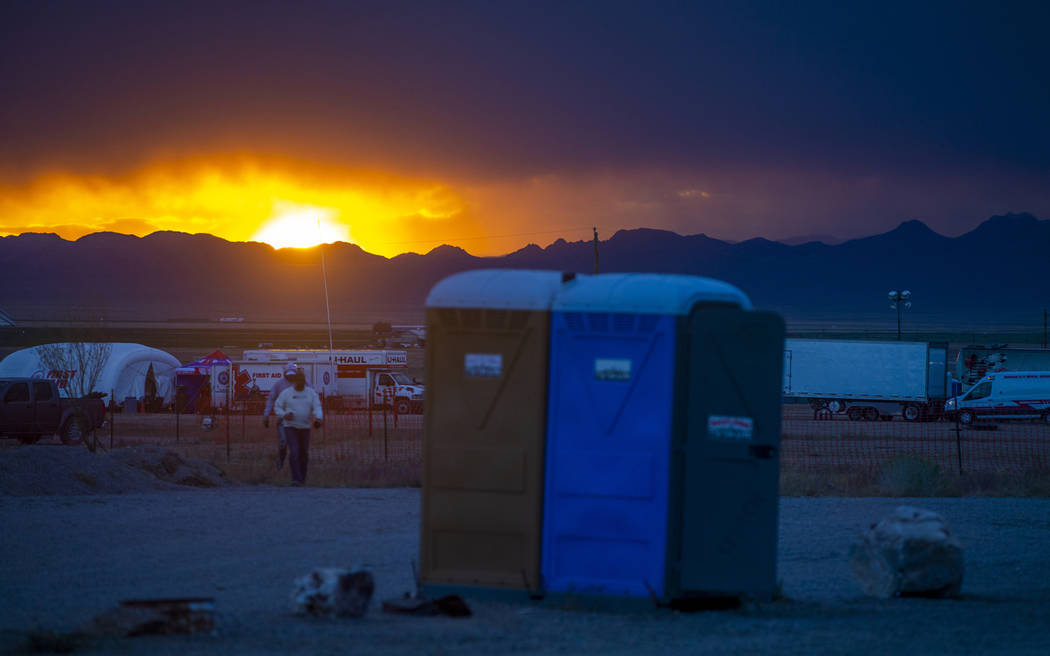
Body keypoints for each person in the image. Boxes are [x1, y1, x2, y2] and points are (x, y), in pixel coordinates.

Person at [273, 371, 323, 486]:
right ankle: (296, 479)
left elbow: (317, 406)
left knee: (303, 453)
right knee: (294, 452)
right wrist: (284, 414)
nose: (300, 384)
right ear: (294, 382)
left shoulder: (311, 393)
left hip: (305, 427)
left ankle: (302, 479)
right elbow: (277, 406)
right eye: (298, 381)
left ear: (304, 382)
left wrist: (318, 418)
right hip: (290, 427)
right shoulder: (286, 393)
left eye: (302, 381)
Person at [263, 364, 303, 469]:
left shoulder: (302, 383)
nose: (290, 377)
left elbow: (312, 394)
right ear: (284, 373)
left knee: (297, 444)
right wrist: (266, 414)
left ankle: (296, 466)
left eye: (292, 375)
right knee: (283, 442)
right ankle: (280, 462)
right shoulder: (279, 385)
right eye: (288, 375)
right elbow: (271, 399)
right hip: (283, 419)